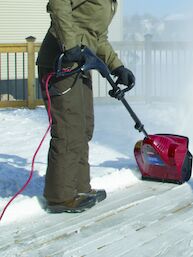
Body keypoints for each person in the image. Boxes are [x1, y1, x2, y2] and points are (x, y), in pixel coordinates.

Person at [36, 0, 135, 213]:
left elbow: (98, 37)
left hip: (79, 65)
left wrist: (118, 67)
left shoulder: (110, 3)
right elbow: (58, 4)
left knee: (83, 127)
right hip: (61, 63)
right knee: (68, 129)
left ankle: (79, 188)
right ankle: (60, 197)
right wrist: (70, 45)